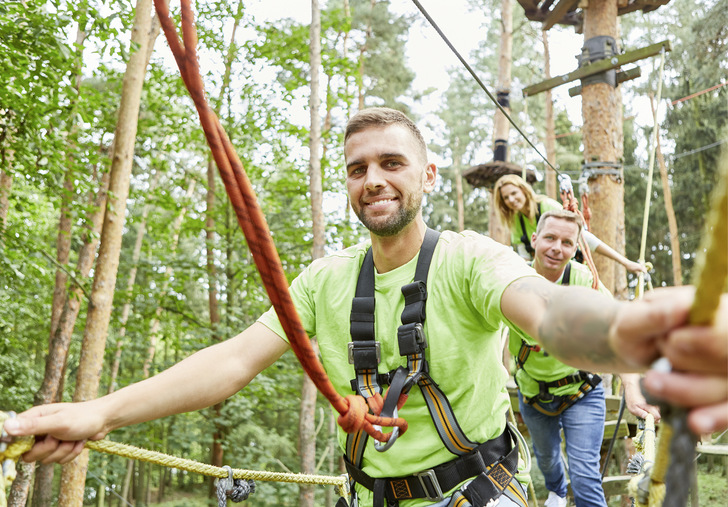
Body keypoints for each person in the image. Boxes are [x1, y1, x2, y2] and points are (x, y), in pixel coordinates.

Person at [3, 108, 726, 507]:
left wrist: (637, 331)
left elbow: (549, 314)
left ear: (428, 173)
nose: (373, 180)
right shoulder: (323, 280)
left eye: (391, 163)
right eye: (357, 169)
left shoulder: (470, 259)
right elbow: (230, 361)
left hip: (476, 494)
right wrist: (97, 411)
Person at [506, 209, 660, 507]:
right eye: (549, 238)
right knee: (548, 459)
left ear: (576, 249)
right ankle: (557, 491)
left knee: (585, 473)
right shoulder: (513, 278)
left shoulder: (584, 280)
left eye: (566, 242)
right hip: (533, 393)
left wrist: (631, 387)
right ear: (535, 239)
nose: (556, 248)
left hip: (582, 391)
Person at [493, 174, 645, 274]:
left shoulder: (546, 206)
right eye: (506, 198)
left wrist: (625, 263)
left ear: (523, 191)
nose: (511, 200)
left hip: (569, 267)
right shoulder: (516, 222)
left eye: (514, 193)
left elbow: (584, 238)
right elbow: (524, 256)